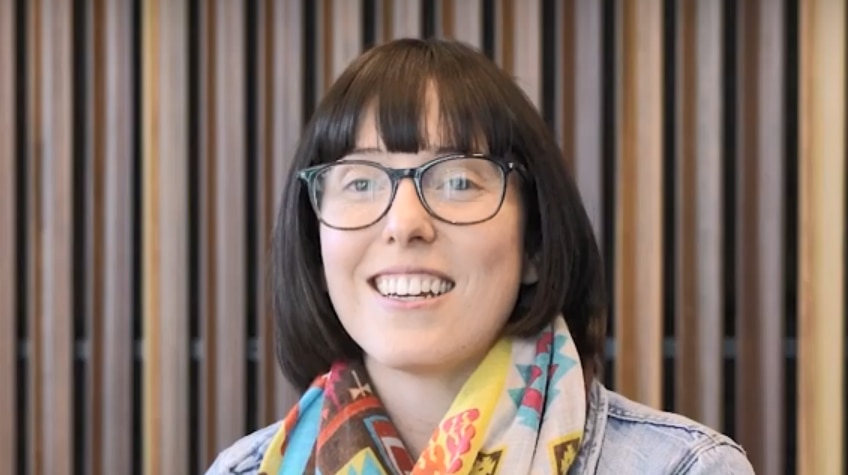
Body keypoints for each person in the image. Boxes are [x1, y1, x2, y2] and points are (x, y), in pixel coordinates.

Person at [205, 38, 754, 474]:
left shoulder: (683, 468)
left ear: (535, 245)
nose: (404, 224)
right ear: (316, 240)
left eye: (458, 180)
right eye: (361, 183)